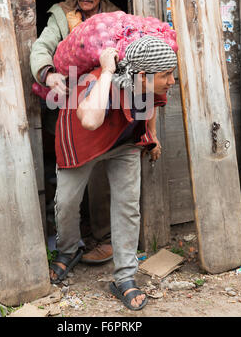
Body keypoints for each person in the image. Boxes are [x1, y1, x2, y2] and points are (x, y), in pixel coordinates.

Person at [49, 36, 177, 311]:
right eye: (167, 75)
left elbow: (152, 102)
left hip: (124, 142)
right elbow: (91, 120)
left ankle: (124, 276)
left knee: (128, 206)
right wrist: (107, 70)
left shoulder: (152, 83)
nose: (172, 81)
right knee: (67, 203)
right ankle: (68, 250)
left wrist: (150, 135)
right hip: (82, 140)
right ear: (142, 75)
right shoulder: (95, 81)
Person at [30, 0, 120, 263]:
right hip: (69, 102)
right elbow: (42, 46)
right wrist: (48, 73)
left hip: (104, 100)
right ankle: (70, 242)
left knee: (100, 175)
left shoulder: (114, 15)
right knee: (70, 169)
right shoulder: (61, 13)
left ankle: (104, 238)